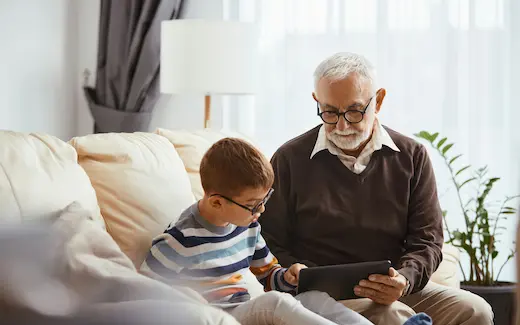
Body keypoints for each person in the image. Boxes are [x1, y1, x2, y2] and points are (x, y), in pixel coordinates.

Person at [259, 52, 494, 325]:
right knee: (392, 315)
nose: (343, 125)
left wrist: (405, 279)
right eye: (330, 112)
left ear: (378, 101)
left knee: (476, 310)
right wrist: (291, 271)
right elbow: (268, 238)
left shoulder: (412, 155)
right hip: (325, 294)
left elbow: (427, 239)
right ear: (317, 102)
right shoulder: (289, 159)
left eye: (354, 111)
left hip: (396, 286)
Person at [140, 138, 373, 325]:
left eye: (265, 199)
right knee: (274, 303)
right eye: (253, 204)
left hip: (250, 310)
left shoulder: (248, 227)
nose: (261, 209)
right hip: (217, 317)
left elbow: (269, 276)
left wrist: (288, 277)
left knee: (313, 298)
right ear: (217, 203)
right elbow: (141, 297)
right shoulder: (178, 242)